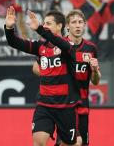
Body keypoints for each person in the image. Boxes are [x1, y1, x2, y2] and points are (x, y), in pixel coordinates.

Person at [5, 6, 81, 146]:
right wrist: (9, 28)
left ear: (59, 26)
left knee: (70, 144)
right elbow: (14, 43)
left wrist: (40, 29)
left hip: (65, 106)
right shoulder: (40, 46)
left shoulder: (69, 46)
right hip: (44, 105)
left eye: (48, 24)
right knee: (38, 142)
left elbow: (60, 43)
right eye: (44, 23)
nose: (44, 26)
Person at [28, 9, 101, 146]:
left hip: (82, 103)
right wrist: (53, 76)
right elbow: (36, 67)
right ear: (67, 26)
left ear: (85, 25)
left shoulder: (91, 49)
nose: (78, 25)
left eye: (81, 22)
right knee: (75, 142)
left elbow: (95, 81)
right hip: (62, 102)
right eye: (74, 22)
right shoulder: (58, 44)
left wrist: (95, 70)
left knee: (79, 143)